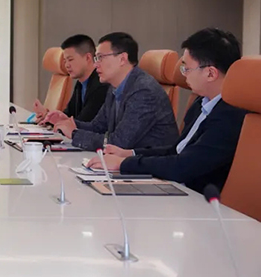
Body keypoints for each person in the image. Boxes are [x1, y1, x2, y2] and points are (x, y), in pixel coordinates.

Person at [88, 28, 246, 193]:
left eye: (187, 69)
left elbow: (182, 166)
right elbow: (175, 150)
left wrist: (123, 164)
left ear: (210, 73)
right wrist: (129, 154)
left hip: (196, 199)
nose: (183, 75)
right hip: (175, 188)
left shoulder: (230, 116)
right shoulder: (202, 103)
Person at [53, 32, 179, 151]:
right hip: (127, 161)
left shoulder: (144, 91)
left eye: (100, 58)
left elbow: (119, 143)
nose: (96, 64)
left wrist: (74, 133)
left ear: (122, 59)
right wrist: (68, 123)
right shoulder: (114, 87)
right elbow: (97, 127)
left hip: (150, 163)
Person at [34, 34, 109, 123]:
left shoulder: (101, 85)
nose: (67, 65)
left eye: (70, 60)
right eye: (65, 61)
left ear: (88, 58)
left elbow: (83, 122)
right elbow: (68, 114)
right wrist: (48, 117)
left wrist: (57, 121)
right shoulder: (80, 84)